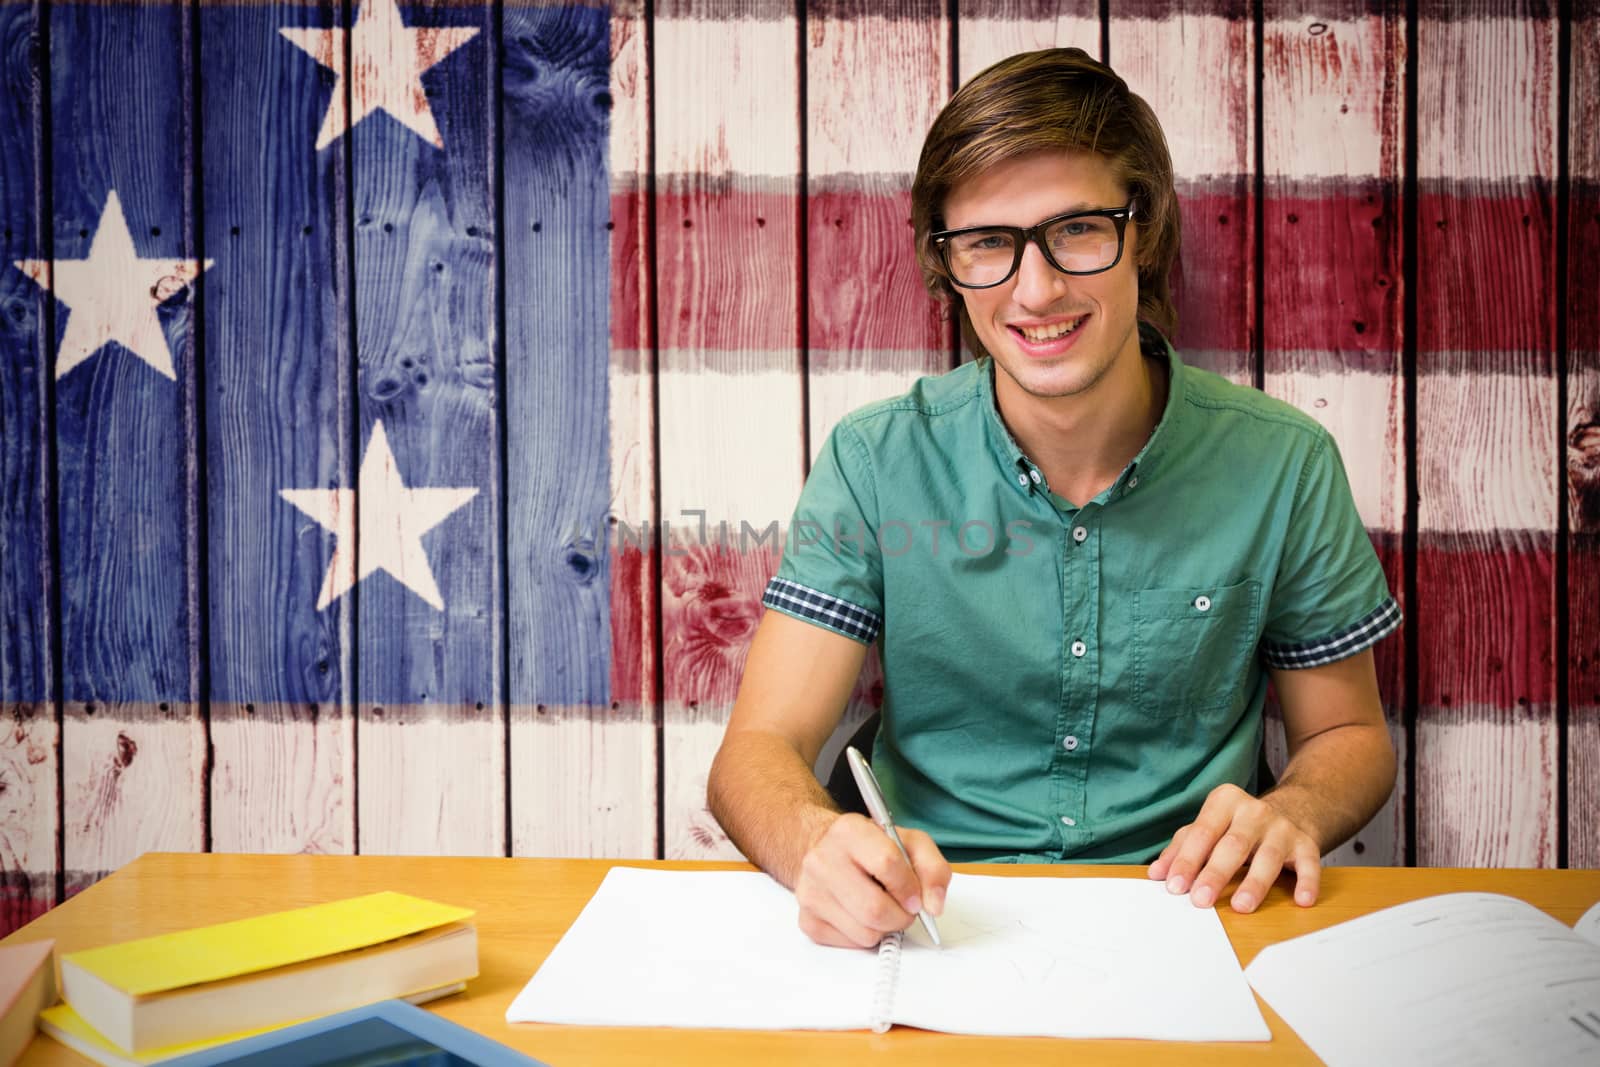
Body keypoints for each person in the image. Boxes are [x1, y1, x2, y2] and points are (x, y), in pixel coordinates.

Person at [706, 47, 1400, 949]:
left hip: (1190, 924)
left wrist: (1297, 807)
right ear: (946, 262)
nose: (1036, 291)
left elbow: (1351, 730)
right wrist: (814, 843)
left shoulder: (1284, 463)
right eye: (989, 243)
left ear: (1141, 230)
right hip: (932, 928)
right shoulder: (875, 461)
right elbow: (754, 752)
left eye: (1076, 229)